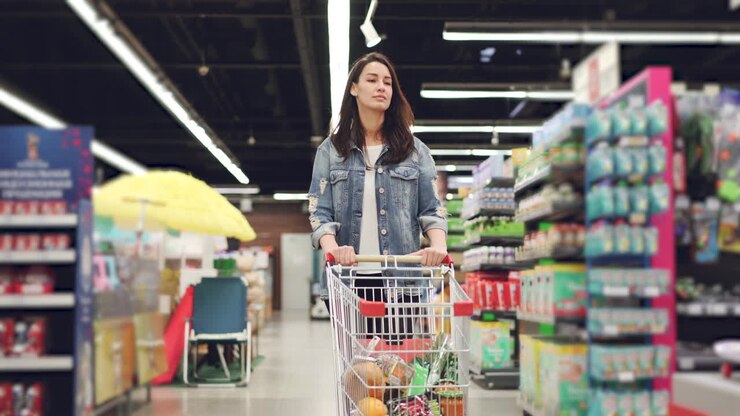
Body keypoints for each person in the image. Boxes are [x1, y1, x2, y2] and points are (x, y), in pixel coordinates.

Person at [307, 52, 448, 339]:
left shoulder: (415, 151)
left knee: (395, 374)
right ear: (354, 88)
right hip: (348, 282)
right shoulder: (330, 151)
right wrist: (333, 247)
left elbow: (432, 209)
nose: (381, 86)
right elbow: (319, 212)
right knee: (359, 373)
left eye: (387, 82)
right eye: (372, 80)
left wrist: (438, 246)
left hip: (402, 281)